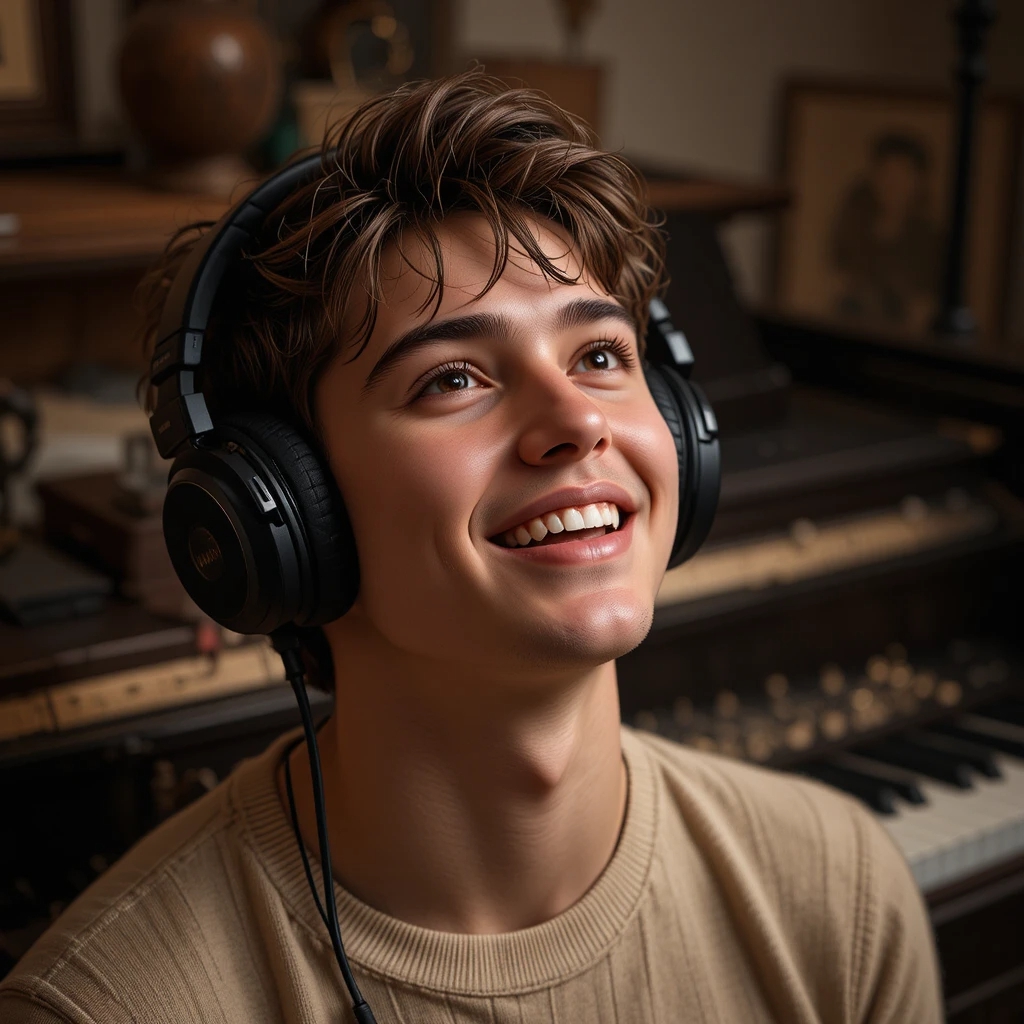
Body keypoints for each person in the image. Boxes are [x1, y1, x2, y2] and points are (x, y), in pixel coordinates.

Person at [0, 72, 942, 1023]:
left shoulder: (845, 893)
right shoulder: (100, 1008)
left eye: (602, 356)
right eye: (453, 377)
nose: (576, 420)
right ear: (281, 511)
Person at [830, 131, 943, 333]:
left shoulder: (930, 241)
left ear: (919, 181)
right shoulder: (854, 225)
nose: (893, 183)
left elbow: (923, 308)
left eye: (903, 173)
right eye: (886, 172)